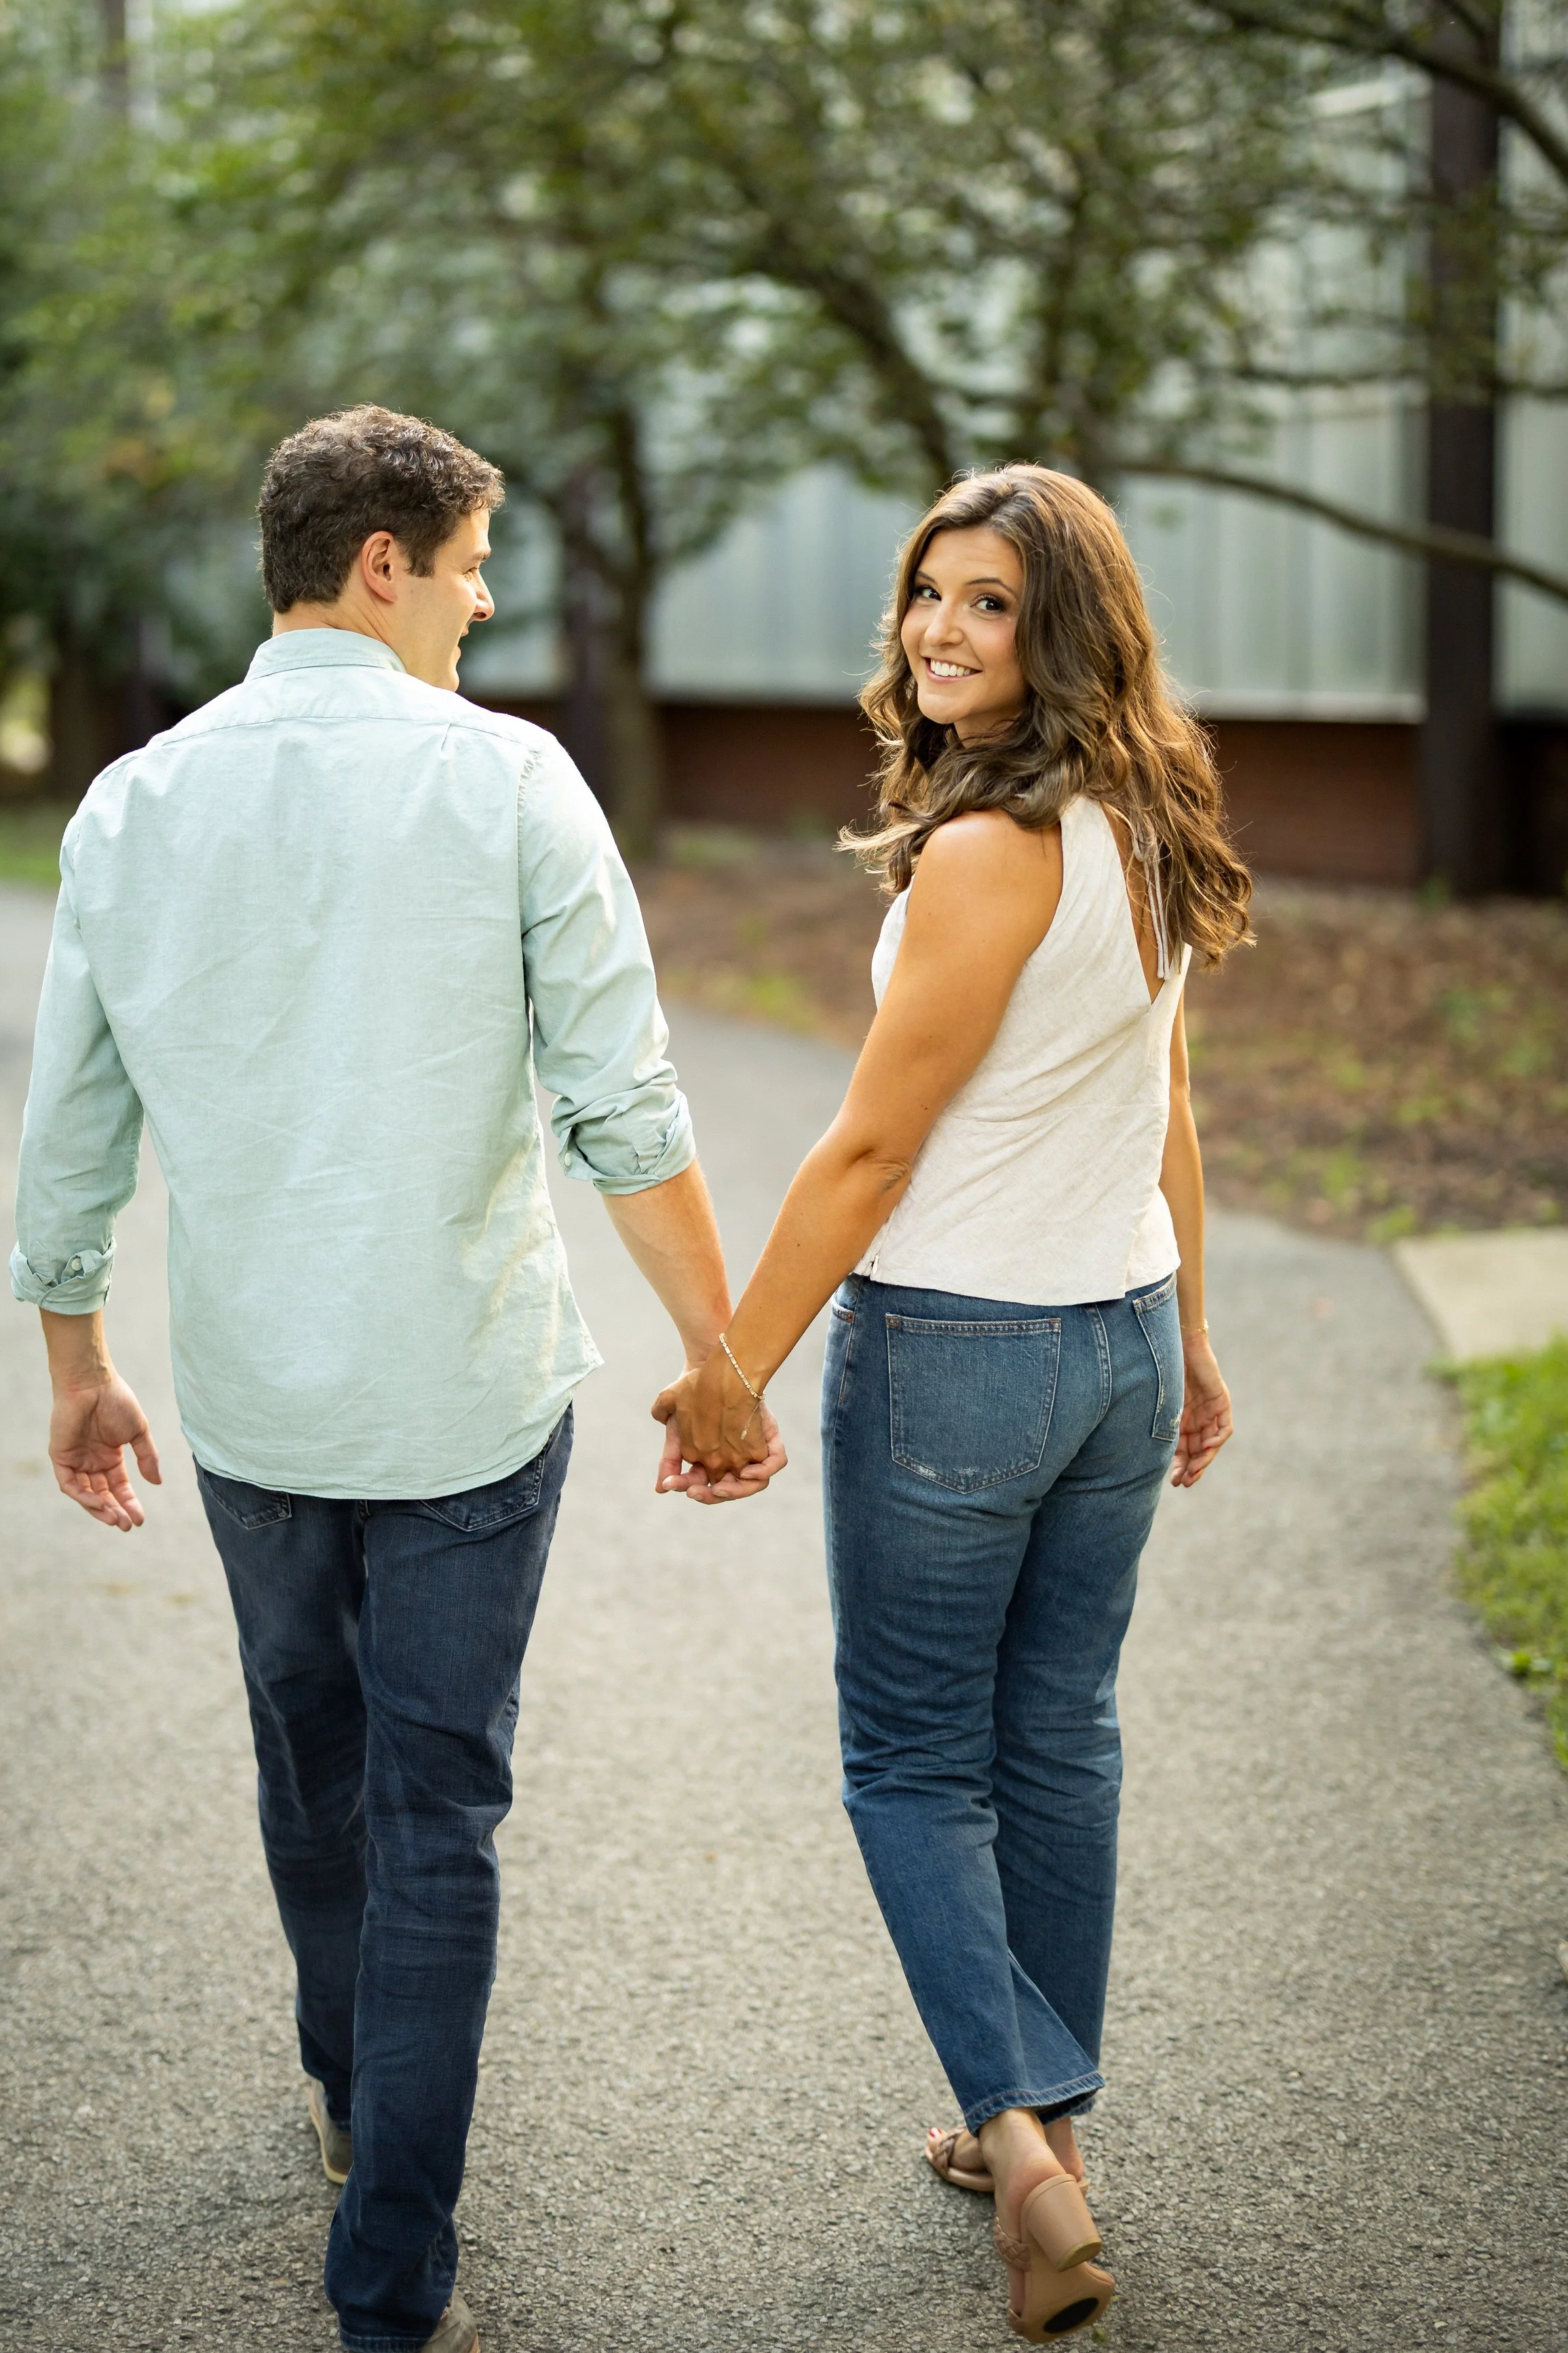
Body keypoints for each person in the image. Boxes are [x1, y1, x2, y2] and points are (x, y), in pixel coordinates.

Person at [11, 404, 780, 2353]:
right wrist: (721, 1354)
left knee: (310, 1755)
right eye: (468, 568)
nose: (482, 601)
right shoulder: (513, 782)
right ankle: (391, 2267)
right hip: (463, 1402)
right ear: (384, 563)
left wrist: (79, 1362)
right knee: (437, 1807)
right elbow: (625, 1104)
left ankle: (362, 2089)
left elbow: (71, 1128)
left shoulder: (134, 802)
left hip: (259, 1406)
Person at [657, 465, 1250, 2342]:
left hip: (963, 1355)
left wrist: (729, 1366)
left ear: (1057, 624)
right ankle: (1044, 2109)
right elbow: (1163, 1109)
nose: (937, 629)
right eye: (927, 594)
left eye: (986, 602)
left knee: (917, 1759)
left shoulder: (989, 852)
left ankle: (1017, 2143)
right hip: (1113, 1341)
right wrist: (1194, 1337)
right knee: (1058, 1735)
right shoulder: (1148, 817)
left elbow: (866, 1147)